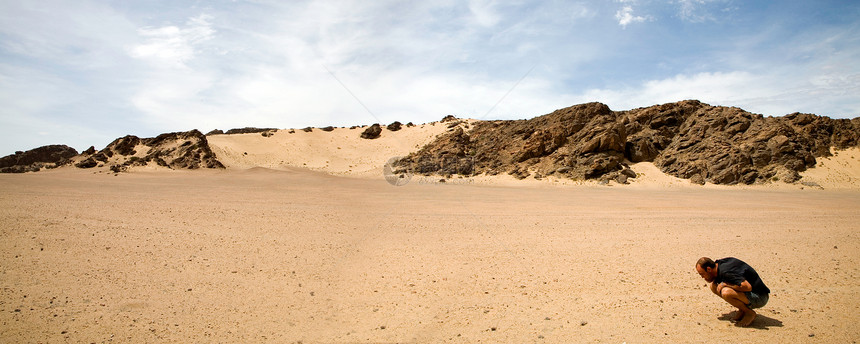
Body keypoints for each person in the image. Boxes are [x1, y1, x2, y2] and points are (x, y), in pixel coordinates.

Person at [695, 257, 770, 327]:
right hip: (751, 293)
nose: (702, 277)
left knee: (726, 292)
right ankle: (742, 309)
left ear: (708, 269)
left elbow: (747, 287)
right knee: (714, 286)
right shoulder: (719, 265)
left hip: (760, 297)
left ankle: (749, 313)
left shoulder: (726, 272)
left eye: (702, 274)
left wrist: (725, 284)